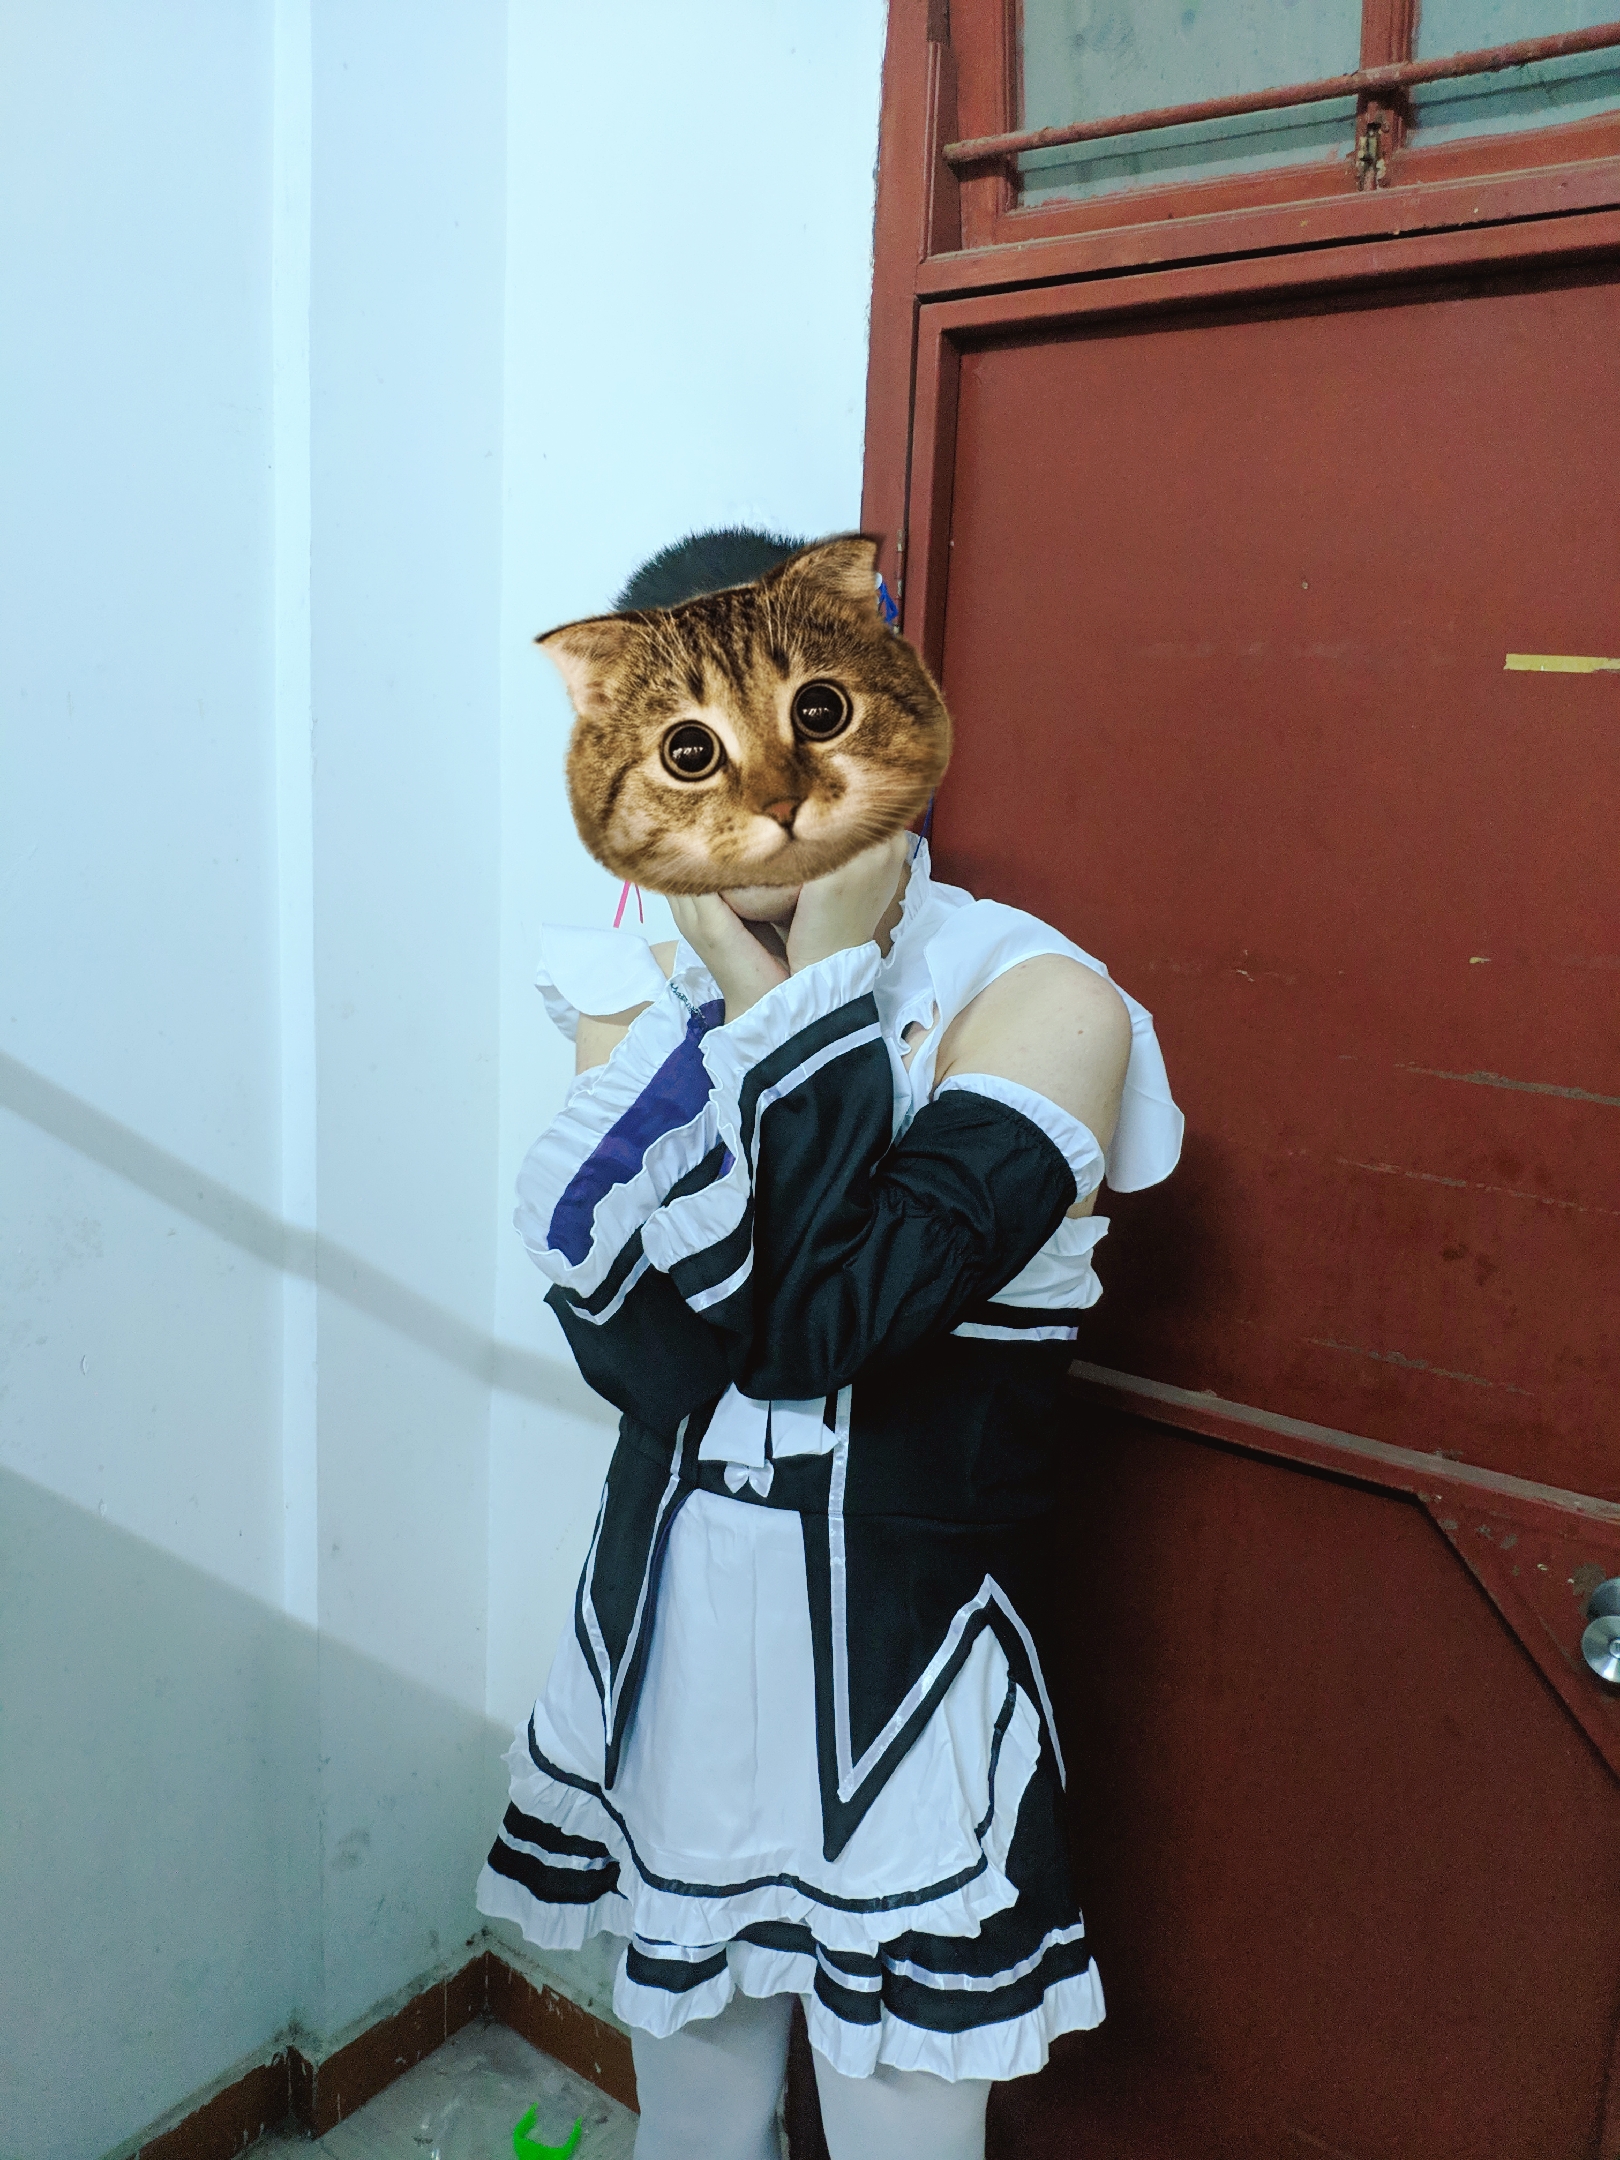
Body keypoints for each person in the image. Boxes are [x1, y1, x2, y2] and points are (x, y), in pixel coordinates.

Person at [478, 547, 1183, 2160]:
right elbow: (648, 1369)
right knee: (694, 2133)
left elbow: (823, 1331)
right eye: (694, 752)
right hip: (668, 1658)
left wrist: (790, 993)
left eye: (803, 721)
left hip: (904, 1690)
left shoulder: (1043, 999)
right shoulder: (629, 996)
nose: (766, 799)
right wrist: (737, 983)